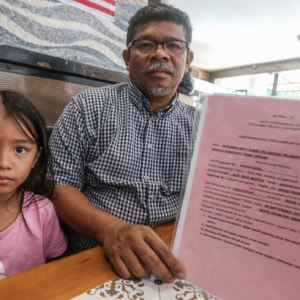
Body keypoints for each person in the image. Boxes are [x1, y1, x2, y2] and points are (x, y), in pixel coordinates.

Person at [49, 3, 194, 283]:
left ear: (187, 60)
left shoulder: (200, 127)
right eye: (146, 44)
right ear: (128, 58)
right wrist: (110, 230)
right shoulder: (88, 107)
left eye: (174, 45)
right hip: (95, 260)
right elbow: (58, 186)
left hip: (175, 261)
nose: (160, 53)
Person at [0, 91, 67, 279]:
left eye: (20, 149)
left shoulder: (43, 212)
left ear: (36, 157)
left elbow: (55, 263)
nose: (4, 163)